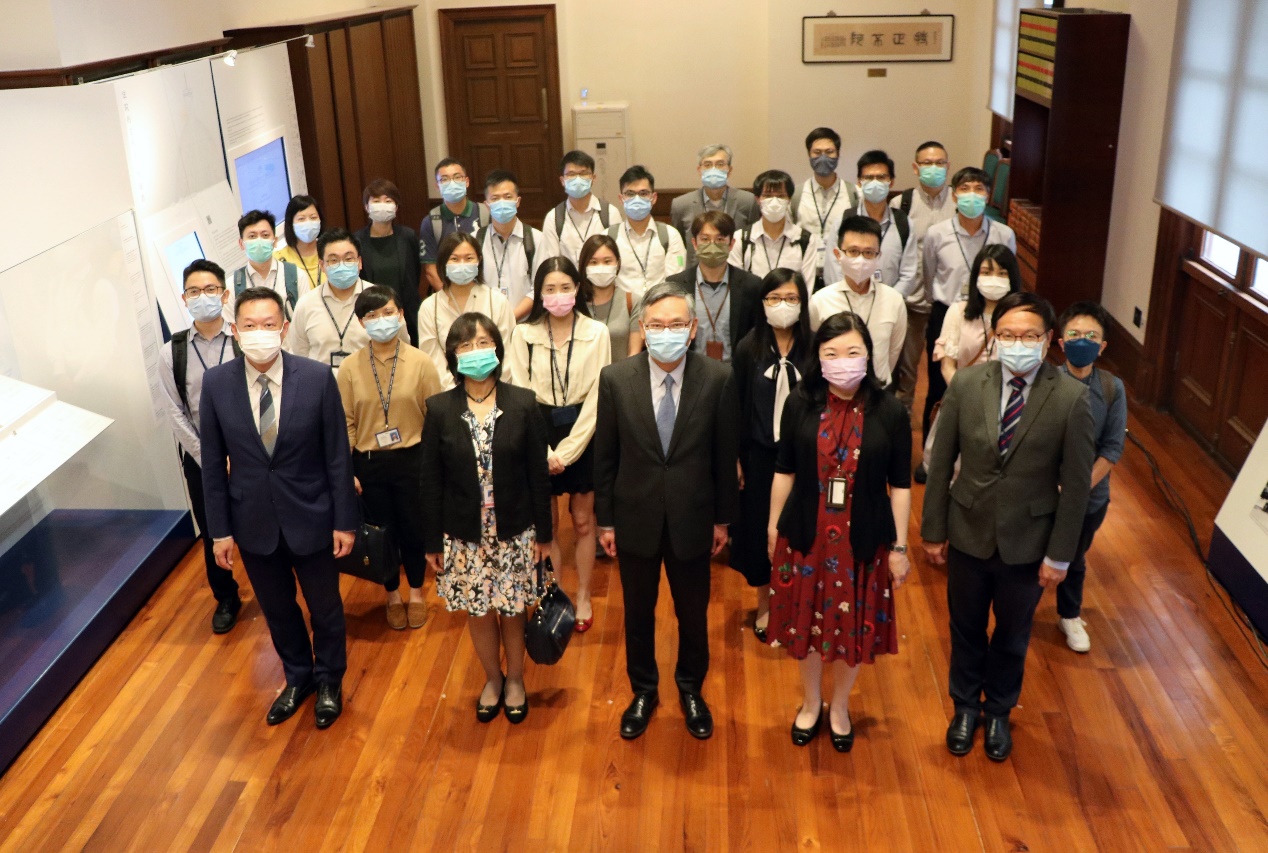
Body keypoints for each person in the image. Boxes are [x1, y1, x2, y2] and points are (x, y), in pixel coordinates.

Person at [922, 291, 1095, 762]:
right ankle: (964, 707)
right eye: (1008, 335)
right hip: (968, 529)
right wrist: (933, 530)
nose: (1018, 343)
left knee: (1014, 633)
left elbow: (1076, 488)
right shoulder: (966, 384)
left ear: (1049, 340)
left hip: (1029, 541)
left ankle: (998, 711)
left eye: (1029, 336)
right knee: (965, 627)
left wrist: (1061, 556)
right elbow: (941, 465)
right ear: (995, 338)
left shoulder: (1072, 399)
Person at [200, 286, 358, 729]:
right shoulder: (216, 384)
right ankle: (298, 677)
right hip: (252, 522)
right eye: (249, 326)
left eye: (269, 325)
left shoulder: (315, 378)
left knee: (325, 608)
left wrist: (345, 520)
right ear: (234, 330)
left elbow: (336, 456)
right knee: (278, 609)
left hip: (313, 515)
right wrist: (220, 531)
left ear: (284, 329)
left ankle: (329, 680)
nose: (260, 333)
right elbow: (212, 464)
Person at [594, 283, 740, 741]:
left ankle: (691, 688)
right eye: (656, 325)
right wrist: (606, 520)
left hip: (693, 519)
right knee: (638, 613)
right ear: (642, 329)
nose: (666, 333)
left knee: (692, 614)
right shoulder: (616, 379)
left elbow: (724, 457)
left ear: (693, 329)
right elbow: (606, 457)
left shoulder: (717, 379)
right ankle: (643, 690)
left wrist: (722, 520)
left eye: (676, 325)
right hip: (634, 517)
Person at [766, 311, 912, 751]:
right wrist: (774, 528)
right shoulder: (800, 401)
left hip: (863, 539)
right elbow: (784, 471)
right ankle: (811, 704)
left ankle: (842, 706)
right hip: (807, 534)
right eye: (831, 353)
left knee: (853, 629)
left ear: (870, 355)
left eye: (853, 352)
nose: (843, 361)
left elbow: (901, 486)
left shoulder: (890, 410)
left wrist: (900, 547)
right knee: (808, 627)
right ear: (818, 358)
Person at [420, 313, 553, 724]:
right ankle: (492, 679)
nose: (475, 352)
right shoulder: (440, 409)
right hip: (463, 535)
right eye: (465, 346)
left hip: (515, 529)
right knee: (478, 611)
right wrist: (431, 542)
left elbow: (538, 476)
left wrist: (545, 535)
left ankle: (515, 679)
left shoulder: (524, 402)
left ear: (496, 348)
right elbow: (430, 481)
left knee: (512, 610)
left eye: (482, 343)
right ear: (452, 356)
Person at [508, 258, 612, 631]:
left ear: (577, 289)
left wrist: (568, 452)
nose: (557, 296)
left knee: (583, 522)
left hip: (585, 430)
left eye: (565, 287)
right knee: (546, 525)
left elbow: (599, 395)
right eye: (549, 289)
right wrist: (545, 450)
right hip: (538, 431)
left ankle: (583, 595)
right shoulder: (523, 334)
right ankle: (555, 595)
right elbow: (520, 395)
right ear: (538, 294)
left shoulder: (597, 332)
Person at [336, 285, 442, 630]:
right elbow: (347, 423)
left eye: (388, 312)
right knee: (381, 534)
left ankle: (415, 593)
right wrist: (347, 470)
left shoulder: (421, 362)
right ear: (361, 323)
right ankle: (391, 594)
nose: (381, 320)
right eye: (372, 315)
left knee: (413, 531)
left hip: (413, 459)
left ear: (401, 315)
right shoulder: (350, 368)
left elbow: (435, 419)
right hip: (369, 463)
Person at [916, 166, 1017, 481]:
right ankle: (930, 459)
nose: (972, 195)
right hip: (949, 311)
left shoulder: (1004, 234)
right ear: (955, 193)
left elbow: (1010, 274)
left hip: (997, 312)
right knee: (937, 387)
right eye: (966, 188)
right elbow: (929, 272)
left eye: (979, 189)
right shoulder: (937, 233)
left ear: (988, 195)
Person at [157, 260, 242, 634]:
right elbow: (175, 411)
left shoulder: (243, 337)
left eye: (210, 290)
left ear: (224, 294)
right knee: (211, 528)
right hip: (201, 455)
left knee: (258, 521)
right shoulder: (171, 352)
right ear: (184, 298)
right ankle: (226, 596)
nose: (203, 297)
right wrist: (208, 456)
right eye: (194, 291)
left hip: (249, 452)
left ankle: (274, 584)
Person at [730, 269, 812, 643]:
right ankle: (766, 604)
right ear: (762, 304)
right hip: (760, 456)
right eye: (775, 298)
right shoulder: (749, 348)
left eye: (791, 299)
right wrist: (736, 457)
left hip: (804, 459)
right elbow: (736, 405)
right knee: (763, 532)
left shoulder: (813, 348)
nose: (783, 306)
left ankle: (799, 603)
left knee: (802, 531)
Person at [1053, 301, 1127, 653]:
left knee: (1073, 557)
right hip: (1045, 492)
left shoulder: (1113, 388)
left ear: (1103, 346)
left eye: (1091, 336)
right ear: (1060, 341)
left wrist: (1079, 488)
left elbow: (1112, 449)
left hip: (1090, 497)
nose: (1083, 341)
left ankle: (1069, 614)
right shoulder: (1046, 381)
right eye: (1075, 334)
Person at [287, 228, 407, 371]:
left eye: (349, 259)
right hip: (324, 388)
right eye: (333, 260)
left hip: (373, 385)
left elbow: (403, 346)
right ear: (322, 266)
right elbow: (300, 355)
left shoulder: (382, 300)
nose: (342, 265)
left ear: (359, 262)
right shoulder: (306, 304)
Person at [808, 216, 907, 389]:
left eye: (868, 253)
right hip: (832, 392)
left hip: (879, 393)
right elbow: (814, 352)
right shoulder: (820, 301)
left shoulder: (894, 300)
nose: (860, 259)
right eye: (853, 251)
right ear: (838, 254)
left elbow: (893, 353)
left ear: (878, 256)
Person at [891, 141, 954, 411]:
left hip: (948, 306)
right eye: (927, 163)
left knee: (946, 372)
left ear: (948, 167)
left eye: (939, 163)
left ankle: (940, 426)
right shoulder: (901, 204)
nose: (934, 168)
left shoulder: (959, 202)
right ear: (916, 168)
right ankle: (903, 432)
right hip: (911, 304)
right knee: (906, 372)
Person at [417, 232, 516, 390]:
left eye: (469, 258)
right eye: (454, 259)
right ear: (443, 263)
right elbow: (432, 360)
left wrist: (490, 392)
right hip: (449, 395)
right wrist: (457, 395)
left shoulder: (497, 301)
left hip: (496, 392)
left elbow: (509, 354)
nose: (462, 264)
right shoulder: (430, 307)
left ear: (479, 261)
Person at [665, 210, 762, 363]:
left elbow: (757, 337)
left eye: (720, 239)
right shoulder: (675, 285)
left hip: (735, 374)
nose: (712, 245)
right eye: (705, 239)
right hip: (691, 371)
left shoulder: (752, 285)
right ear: (695, 244)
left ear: (731, 244)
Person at [827, 150, 918, 302]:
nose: (875, 182)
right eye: (868, 177)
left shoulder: (904, 223)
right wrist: (848, 302)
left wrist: (887, 303)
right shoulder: (843, 221)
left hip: (889, 307)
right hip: (847, 306)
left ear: (891, 181)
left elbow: (908, 274)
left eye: (881, 177)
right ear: (859, 182)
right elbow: (833, 270)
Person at [933, 245, 1022, 384]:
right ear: (976, 277)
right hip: (964, 393)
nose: (994, 279)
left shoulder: (1021, 317)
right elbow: (948, 367)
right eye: (986, 273)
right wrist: (964, 396)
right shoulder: (958, 312)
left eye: (1002, 274)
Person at [353, 178, 423, 345]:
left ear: (396, 206)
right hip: (373, 318)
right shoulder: (357, 241)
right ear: (366, 207)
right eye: (376, 201)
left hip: (407, 315)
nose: (382, 205)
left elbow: (416, 273)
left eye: (388, 200)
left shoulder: (408, 236)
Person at [670, 143, 761, 265]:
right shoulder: (681, 204)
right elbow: (680, 246)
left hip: (737, 273)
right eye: (707, 165)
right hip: (696, 275)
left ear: (729, 170)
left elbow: (752, 241)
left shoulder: (748, 201)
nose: (713, 169)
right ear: (699, 170)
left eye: (720, 164)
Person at [791, 127, 858, 290]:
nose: (823, 157)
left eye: (829, 152)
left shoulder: (855, 194)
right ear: (809, 155)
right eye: (817, 152)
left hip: (841, 276)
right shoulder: (795, 195)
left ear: (838, 154)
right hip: (805, 276)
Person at [728, 170, 820, 287]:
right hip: (752, 304)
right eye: (767, 196)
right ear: (757, 199)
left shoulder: (805, 240)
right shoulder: (740, 239)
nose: (774, 201)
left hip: (791, 304)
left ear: (789, 199)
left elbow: (806, 288)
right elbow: (737, 286)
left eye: (781, 196)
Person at [610, 165, 687, 299]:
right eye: (630, 194)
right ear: (621, 198)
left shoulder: (670, 235)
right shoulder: (609, 237)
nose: (637, 199)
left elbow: (675, 281)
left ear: (654, 197)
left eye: (643, 193)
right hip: (623, 310)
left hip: (661, 309)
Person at [478, 169, 543, 321]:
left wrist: (510, 319)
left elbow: (539, 288)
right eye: (495, 198)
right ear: (487, 205)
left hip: (526, 325)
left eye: (508, 197)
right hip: (485, 327)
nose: (502, 202)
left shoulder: (537, 239)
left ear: (517, 201)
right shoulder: (475, 240)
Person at [539, 151, 622, 266]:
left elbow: (618, 257)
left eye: (583, 174)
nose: (578, 179)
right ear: (562, 180)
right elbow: (552, 263)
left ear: (593, 178)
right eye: (571, 174)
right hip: (568, 283)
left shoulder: (610, 213)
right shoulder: (553, 218)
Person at [420, 158, 490, 293]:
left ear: (467, 181)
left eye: (457, 177)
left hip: (484, 292)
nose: (452, 183)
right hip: (447, 294)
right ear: (437, 186)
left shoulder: (486, 214)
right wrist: (451, 297)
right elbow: (430, 269)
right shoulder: (431, 221)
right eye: (444, 179)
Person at [226, 210, 306, 321]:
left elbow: (306, 320)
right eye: (252, 236)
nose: (259, 241)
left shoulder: (297, 276)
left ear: (275, 241)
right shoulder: (231, 286)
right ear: (241, 244)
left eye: (265, 235)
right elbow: (232, 329)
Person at [579, 234, 635, 361]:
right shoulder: (574, 303)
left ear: (618, 263)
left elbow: (634, 354)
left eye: (607, 261)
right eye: (593, 262)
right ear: (584, 265)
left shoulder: (632, 301)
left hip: (620, 378)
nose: (601, 267)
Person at [275, 195, 325, 291]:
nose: (308, 223)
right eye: (301, 219)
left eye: (313, 217)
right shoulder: (279, 259)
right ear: (290, 224)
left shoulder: (330, 252)